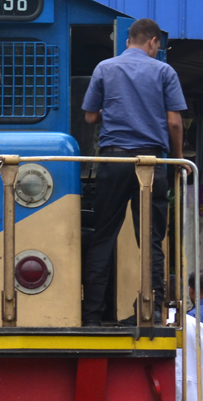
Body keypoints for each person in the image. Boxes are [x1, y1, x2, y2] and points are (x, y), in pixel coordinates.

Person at [81, 18, 188, 326]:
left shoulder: (105, 68)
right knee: (152, 239)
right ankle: (153, 310)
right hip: (152, 164)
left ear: (130, 40)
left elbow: (89, 117)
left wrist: (113, 112)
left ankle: (91, 316)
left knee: (103, 236)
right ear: (153, 41)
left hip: (114, 161)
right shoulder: (164, 71)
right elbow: (174, 123)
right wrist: (178, 160)